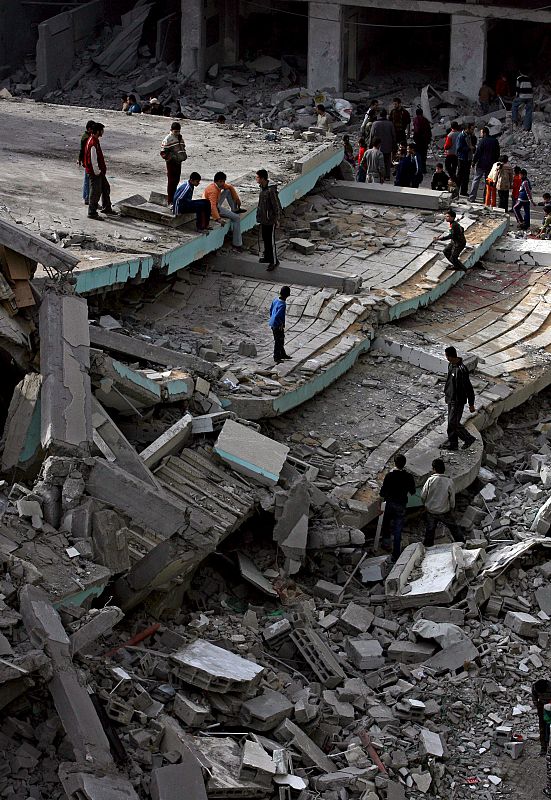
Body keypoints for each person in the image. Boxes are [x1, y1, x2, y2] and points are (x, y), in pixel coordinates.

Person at [379, 454, 416, 562]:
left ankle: (386, 544)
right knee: (398, 528)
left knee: (386, 523)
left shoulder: (389, 476)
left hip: (390, 503)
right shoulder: (408, 477)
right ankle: (396, 554)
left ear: (394, 463)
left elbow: (383, 491)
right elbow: (413, 491)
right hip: (401, 504)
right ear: (404, 464)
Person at [421, 459, 463, 547]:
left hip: (431, 510)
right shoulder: (449, 481)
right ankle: (462, 542)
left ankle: (427, 547)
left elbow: (423, 495)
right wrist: (452, 508)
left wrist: (425, 505)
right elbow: (452, 499)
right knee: (454, 528)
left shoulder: (430, 480)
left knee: (430, 530)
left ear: (434, 469)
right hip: (444, 511)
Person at [442, 344, 476, 451]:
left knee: (454, 422)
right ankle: (453, 444)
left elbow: (468, 388)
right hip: (450, 398)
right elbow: (449, 381)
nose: (447, 358)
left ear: (452, 356)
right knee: (450, 423)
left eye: (447, 356)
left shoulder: (462, 370)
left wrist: (471, 404)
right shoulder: (450, 365)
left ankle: (468, 438)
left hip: (458, 401)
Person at [203, 171, 244, 249]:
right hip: (211, 209)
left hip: (215, 204)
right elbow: (213, 207)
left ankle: (234, 209)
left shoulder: (218, 185)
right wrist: (218, 219)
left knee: (228, 191)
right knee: (236, 218)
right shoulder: (213, 191)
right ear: (216, 181)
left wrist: (237, 199)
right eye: (221, 182)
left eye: (224, 181)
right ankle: (237, 243)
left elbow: (230, 187)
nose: (223, 183)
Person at [84, 123, 117, 220]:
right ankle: (92, 213)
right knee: (95, 192)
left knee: (105, 187)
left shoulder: (95, 141)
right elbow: (93, 160)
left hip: (98, 172)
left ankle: (107, 207)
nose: (103, 132)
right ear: (98, 131)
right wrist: (97, 172)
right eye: (102, 130)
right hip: (95, 172)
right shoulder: (92, 143)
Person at [256, 168, 283, 272]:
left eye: (257, 177)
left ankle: (274, 261)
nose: (256, 179)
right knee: (265, 239)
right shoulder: (262, 188)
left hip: (270, 220)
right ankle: (267, 257)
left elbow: (276, 205)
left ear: (262, 178)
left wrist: (277, 219)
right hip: (264, 219)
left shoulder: (271, 190)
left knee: (271, 241)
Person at [469, 127, 500, 203]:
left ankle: (472, 198)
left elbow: (478, 153)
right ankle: (486, 199)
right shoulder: (495, 141)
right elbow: (497, 153)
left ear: (484, 133)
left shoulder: (482, 141)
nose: (481, 134)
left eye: (481, 132)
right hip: (491, 165)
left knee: (476, 180)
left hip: (481, 164)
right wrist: (496, 164)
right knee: (488, 182)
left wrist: (473, 162)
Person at [161, 122, 187, 206]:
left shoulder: (180, 138)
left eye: (178, 131)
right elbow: (163, 153)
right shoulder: (167, 139)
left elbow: (182, 147)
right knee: (171, 182)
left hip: (178, 162)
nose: (177, 133)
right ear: (171, 130)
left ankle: (174, 198)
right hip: (171, 164)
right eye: (175, 131)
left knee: (176, 181)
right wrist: (171, 158)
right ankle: (170, 201)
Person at [370, 109, 395, 180]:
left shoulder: (375, 124)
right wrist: (394, 146)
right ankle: (387, 176)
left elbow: (371, 136)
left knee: (378, 161)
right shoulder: (390, 124)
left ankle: (380, 175)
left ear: (379, 115)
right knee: (387, 161)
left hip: (377, 147)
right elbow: (393, 136)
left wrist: (370, 146)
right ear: (386, 115)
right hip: (388, 146)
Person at [269, 286, 292, 364]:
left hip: (272, 323)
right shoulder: (283, 304)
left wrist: (271, 318)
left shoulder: (275, 300)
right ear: (287, 295)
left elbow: (271, 310)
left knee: (280, 339)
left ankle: (282, 354)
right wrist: (281, 325)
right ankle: (276, 357)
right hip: (278, 325)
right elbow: (279, 316)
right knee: (278, 341)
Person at [532, 680, 551, 757]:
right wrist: (538, 706)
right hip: (542, 706)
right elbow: (534, 698)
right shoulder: (535, 687)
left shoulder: (550, 686)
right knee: (542, 727)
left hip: (550, 705)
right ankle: (543, 747)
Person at [78, 119, 95, 206]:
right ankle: (87, 197)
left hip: (86, 161)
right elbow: (82, 151)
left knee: (87, 180)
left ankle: (86, 197)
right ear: (89, 129)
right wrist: (80, 160)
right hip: (87, 162)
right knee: (88, 180)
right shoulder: (86, 138)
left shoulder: (87, 137)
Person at [456, 123, 475, 196]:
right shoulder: (461, 136)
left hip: (468, 158)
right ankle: (457, 190)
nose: (472, 131)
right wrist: (469, 148)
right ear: (467, 129)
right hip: (462, 158)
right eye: (471, 129)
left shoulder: (469, 136)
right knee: (460, 175)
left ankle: (463, 191)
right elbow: (459, 148)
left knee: (466, 176)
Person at [412, 108, 432, 176]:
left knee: (418, 155)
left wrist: (415, 138)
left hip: (418, 140)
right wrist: (428, 139)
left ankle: (419, 168)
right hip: (425, 141)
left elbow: (416, 130)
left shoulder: (416, 120)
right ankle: (424, 169)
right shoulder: (425, 120)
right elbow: (429, 131)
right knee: (424, 155)